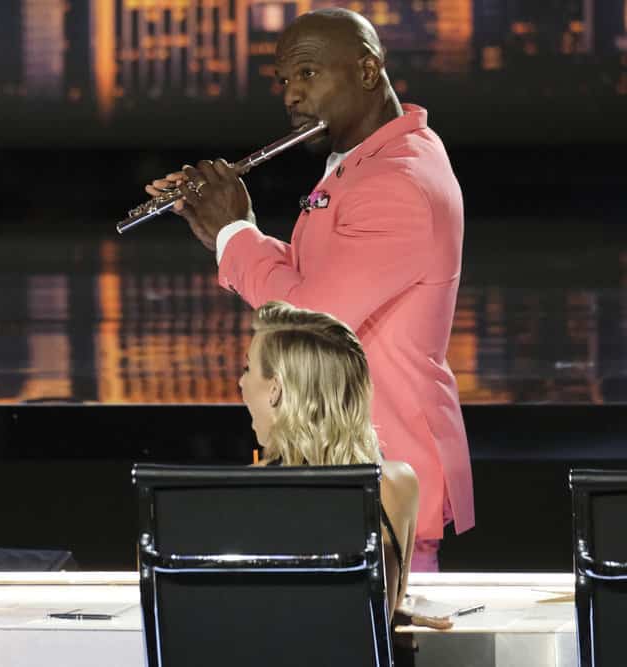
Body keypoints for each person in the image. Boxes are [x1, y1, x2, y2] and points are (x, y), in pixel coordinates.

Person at [146, 7, 473, 570]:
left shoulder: (398, 183)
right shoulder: (371, 162)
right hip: (343, 461)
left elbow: (309, 314)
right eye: (284, 81)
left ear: (368, 72)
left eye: (308, 75)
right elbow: (314, 276)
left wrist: (234, 231)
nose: (292, 95)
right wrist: (226, 232)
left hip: (384, 465)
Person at [241, 300, 417, 612]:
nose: (241, 382)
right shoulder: (399, 484)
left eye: (247, 368)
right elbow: (384, 612)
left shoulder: (246, 490)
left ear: (276, 390)